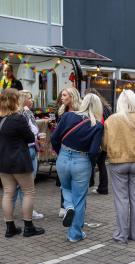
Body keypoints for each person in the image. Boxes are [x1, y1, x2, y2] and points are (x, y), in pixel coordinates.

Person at [103, 90, 135, 244]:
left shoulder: (111, 120)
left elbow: (104, 144)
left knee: (122, 200)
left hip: (118, 162)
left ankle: (121, 235)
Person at [51, 94, 104, 242]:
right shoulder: (97, 125)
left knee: (65, 188)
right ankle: (74, 234)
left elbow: (54, 138)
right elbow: (94, 151)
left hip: (63, 157)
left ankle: (68, 206)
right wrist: (91, 165)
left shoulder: (68, 116)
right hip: (82, 161)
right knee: (79, 199)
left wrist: (61, 151)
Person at [0, 88, 45, 238]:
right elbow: (29, 138)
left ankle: (10, 228)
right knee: (28, 191)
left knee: (8, 193)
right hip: (19, 160)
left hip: (3, 160)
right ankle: (28, 227)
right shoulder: (18, 118)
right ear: (14, 101)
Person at [11, 90, 44, 220]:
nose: (32, 101)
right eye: (30, 98)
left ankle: (11, 211)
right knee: (27, 185)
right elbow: (30, 133)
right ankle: (28, 212)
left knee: (18, 185)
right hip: (27, 150)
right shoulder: (23, 114)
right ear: (23, 99)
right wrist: (37, 136)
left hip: (25, 150)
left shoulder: (19, 113)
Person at [55, 87, 82, 218]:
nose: (61, 97)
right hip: (62, 150)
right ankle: (64, 206)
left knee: (74, 182)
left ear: (72, 97)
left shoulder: (81, 112)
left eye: (64, 95)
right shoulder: (61, 111)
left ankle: (72, 207)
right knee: (63, 181)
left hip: (76, 151)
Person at [85, 88, 112, 194]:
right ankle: (103, 187)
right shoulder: (106, 107)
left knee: (90, 163)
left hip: (96, 139)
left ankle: (89, 184)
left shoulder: (94, 108)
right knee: (101, 164)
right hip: (105, 139)